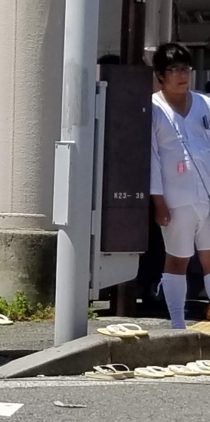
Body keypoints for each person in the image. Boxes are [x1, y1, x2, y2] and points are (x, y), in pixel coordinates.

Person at [150, 43, 210, 329]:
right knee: (178, 257)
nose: (181, 75)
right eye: (174, 70)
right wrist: (158, 200)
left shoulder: (205, 103)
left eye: (185, 69)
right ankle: (177, 323)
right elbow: (151, 157)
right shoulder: (153, 108)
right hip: (176, 196)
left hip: (207, 192)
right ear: (161, 75)